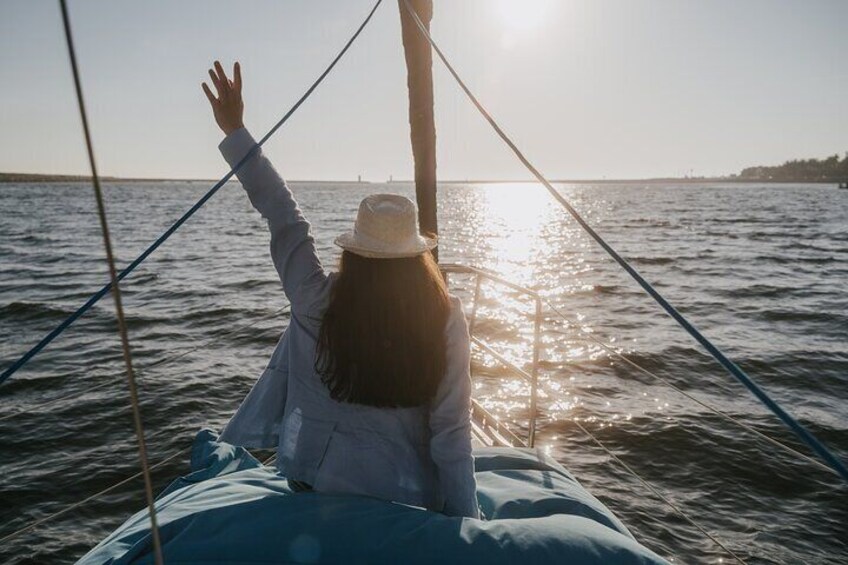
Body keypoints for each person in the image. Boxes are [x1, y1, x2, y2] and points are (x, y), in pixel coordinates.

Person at [202, 61, 479, 518]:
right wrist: (469, 528)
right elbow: (452, 433)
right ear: (417, 259)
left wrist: (236, 130)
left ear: (353, 253)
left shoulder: (315, 299)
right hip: (407, 503)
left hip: (316, 492)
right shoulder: (445, 317)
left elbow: (284, 216)